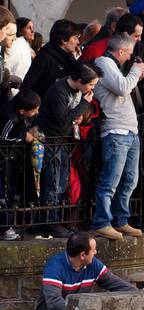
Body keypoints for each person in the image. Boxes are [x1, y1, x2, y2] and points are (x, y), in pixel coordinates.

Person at [91, 33, 144, 240]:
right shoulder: (104, 62)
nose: (130, 58)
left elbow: (125, 85)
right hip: (115, 130)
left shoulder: (115, 67)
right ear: (121, 51)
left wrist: (134, 75)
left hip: (129, 131)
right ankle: (102, 222)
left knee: (129, 181)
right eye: (129, 54)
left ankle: (120, 220)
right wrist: (135, 71)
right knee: (110, 181)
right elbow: (122, 88)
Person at [36, 62, 100, 239]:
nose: (92, 88)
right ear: (79, 81)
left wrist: (78, 116)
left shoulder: (78, 91)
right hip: (52, 140)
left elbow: (69, 118)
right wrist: (83, 105)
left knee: (62, 182)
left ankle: (57, 221)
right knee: (53, 182)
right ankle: (49, 223)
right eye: (91, 84)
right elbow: (62, 121)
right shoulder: (59, 91)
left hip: (64, 140)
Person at [0, 88, 41, 241]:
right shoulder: (10, 118)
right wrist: (23, 136)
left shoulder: (17, 114)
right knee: (4, 195)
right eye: (34, 110)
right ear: (23, 111)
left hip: (12, 161)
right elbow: (3, 139)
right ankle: (4, 228)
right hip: (4, 161)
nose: (37, 113)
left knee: (10, 194)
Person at [20, 19, 81, 99]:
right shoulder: (45, 57)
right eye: (75, 38)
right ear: (63, 40)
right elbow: (27, 86)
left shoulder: (69, 58)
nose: (78, 42)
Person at [5, 18, 34, 94]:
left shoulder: (25, 46)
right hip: (10, 89)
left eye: (32, 28)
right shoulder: (15, 45)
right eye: (29, 28)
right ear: (20, 30)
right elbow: (7, 66)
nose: (33, 31)